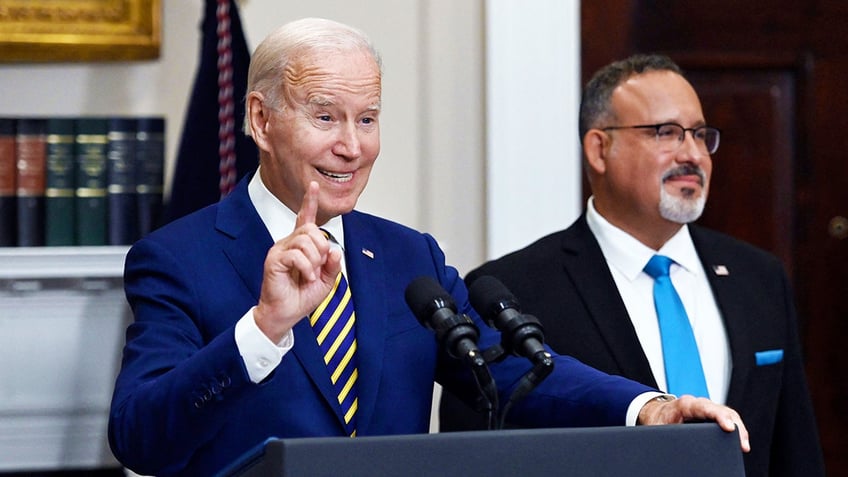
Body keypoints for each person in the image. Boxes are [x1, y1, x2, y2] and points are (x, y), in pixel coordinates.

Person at [108, 22, 749, 476]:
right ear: (260, 120)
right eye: (326, 117)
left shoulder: (408, 256)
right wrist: (264, 328)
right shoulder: (177, 259)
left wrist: (650, 408)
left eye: (368, 119)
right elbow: (140, 437)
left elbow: (512, 371)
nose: (352, 147)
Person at [439, 54, 824, 477]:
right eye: (667, 133)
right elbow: (473, 455)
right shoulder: (513, 290)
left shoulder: (758, 277)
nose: (693, 154)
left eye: (699, 134)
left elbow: (795, 449)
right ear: (599, 149)